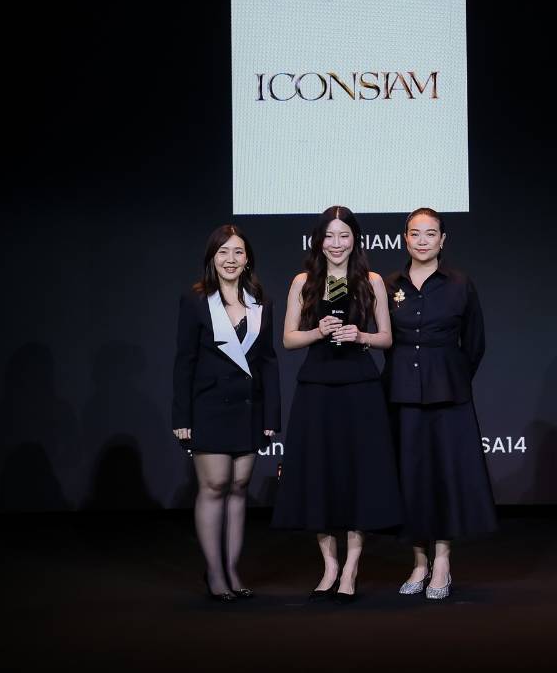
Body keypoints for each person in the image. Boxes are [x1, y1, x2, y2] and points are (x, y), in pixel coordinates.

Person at [271, 206, 403, 603]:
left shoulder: (371, 281)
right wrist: (317, 331)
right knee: (320, 474)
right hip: (317, 388)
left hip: (360, 388)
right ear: (319, 240)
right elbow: (288, 339)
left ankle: (351, 567)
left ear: (355, 239)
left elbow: (386, 338)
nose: (336, 243)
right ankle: (329, 566)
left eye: (344, 235)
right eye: (329, 236)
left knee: (358, 474)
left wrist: (361, 336)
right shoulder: (304, 281)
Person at [385, 207, 497, 600]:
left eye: (430, 233)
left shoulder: (460, 283)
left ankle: (443, 561)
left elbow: (475, 343)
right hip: (401, 393)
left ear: (442, 240)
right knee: (410, 477)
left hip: (449, 393)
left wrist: (451, 376)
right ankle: (419, 561)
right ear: (405, 238)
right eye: (415, 233)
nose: (422, 240)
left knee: (446, 476)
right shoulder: (388, 284)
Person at [172, 224, 279, 601]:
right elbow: (184, 361)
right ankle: (214, 572)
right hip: (209, 407)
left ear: (248, 258)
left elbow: (268, 362)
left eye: (237, 252)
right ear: (212, 258)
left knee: (238, 486)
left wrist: (271, 417)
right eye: (223, 252)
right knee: (215, 484)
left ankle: (232, 569)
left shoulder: (261, 301)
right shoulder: (196, 300)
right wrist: (182, 417)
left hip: (249, 408)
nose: (230, 259)